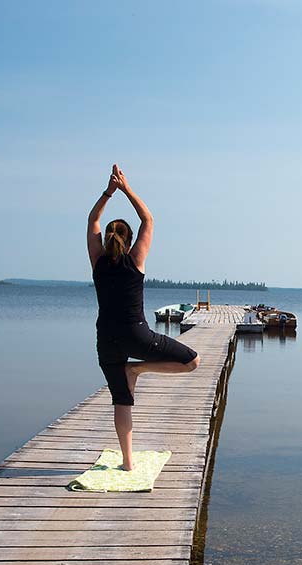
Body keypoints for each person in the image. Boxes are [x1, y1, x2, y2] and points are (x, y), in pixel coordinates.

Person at [87, 164, 201, 471]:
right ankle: (138, 370)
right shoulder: (136, 260)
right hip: (137, 336)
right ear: (128, 239)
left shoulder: (97, 262)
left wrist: (109, 192)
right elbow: (148, 219)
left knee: (121, 401)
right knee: (193, 361)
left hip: (106, 339)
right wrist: (125, 188)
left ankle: (127, 464)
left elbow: (92, 219)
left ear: (108, 238)